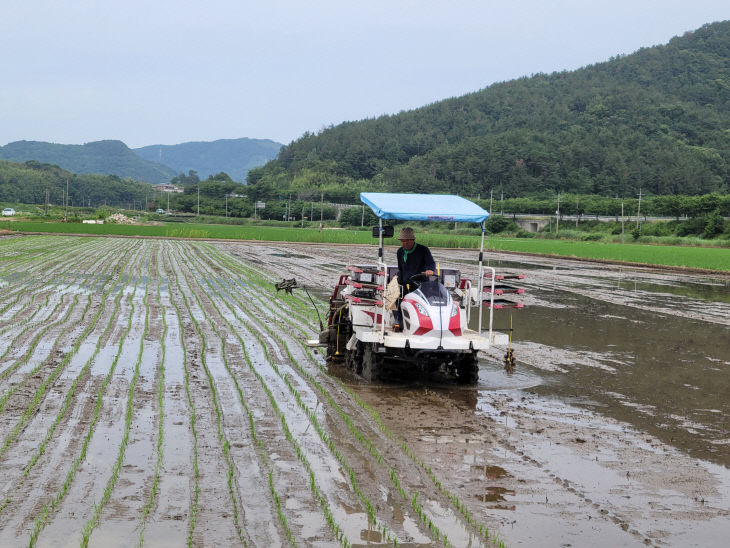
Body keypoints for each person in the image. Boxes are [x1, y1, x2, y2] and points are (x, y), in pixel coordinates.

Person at [396, 227, 435, 292]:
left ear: (413, 240)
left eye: (407, 241)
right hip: (405, 284)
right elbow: (400, 269)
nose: (405, 243)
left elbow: (431, 263)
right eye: (403, 241)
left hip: (420, 284)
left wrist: (430, 270)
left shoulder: (423, 250)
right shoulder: (400, 251)